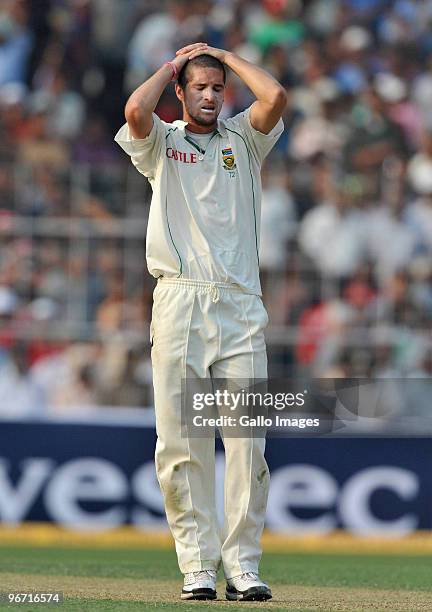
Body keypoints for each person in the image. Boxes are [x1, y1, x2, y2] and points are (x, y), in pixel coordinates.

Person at [115, 42, 286, 602]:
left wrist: (222, 56)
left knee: (247, 444)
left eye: (218, 88)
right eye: (200, 87)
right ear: (182, 93)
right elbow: (135, 113)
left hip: (241, 303)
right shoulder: (163, 142)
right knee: (182, 441)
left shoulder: (245, 139)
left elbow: (276, 95)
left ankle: (244, 566)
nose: (211, 95)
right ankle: (198, 566)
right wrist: (172, 66)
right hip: (181, 300)